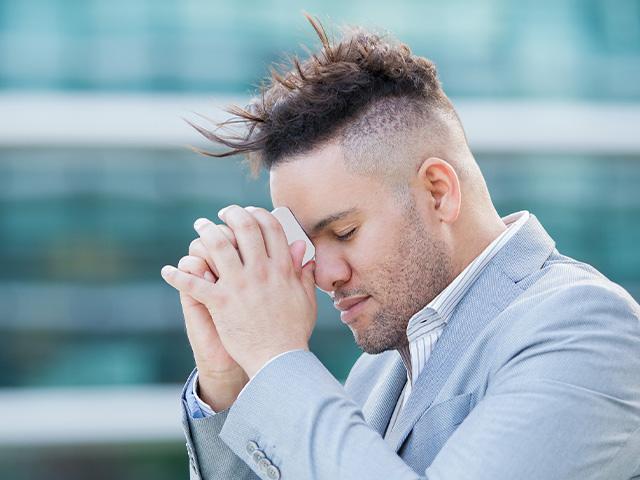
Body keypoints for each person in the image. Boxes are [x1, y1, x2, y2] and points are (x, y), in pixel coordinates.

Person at [160, 14, 640, 480]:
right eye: (306, 243)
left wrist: (275, 356)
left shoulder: (587, 328)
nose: (324, 275)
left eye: (344, 232)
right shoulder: (376, 371)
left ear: (437, 191)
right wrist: (231, 383)